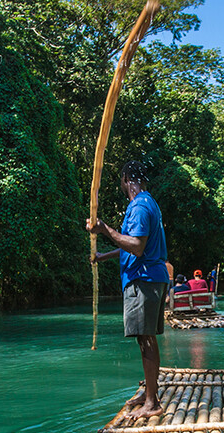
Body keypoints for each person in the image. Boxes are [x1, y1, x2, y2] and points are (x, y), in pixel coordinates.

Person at [87, 160, 169, 419]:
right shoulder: (148, 203)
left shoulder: (140, 206)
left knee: (145, 339)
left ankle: (152, 403)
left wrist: (105, 229)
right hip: (150, 278)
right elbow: (131, 245)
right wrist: (103, 256)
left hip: (143, 279)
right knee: (146, 339)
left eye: (121, 180)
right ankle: (149, 396)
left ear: (126, 179)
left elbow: (136, 245)